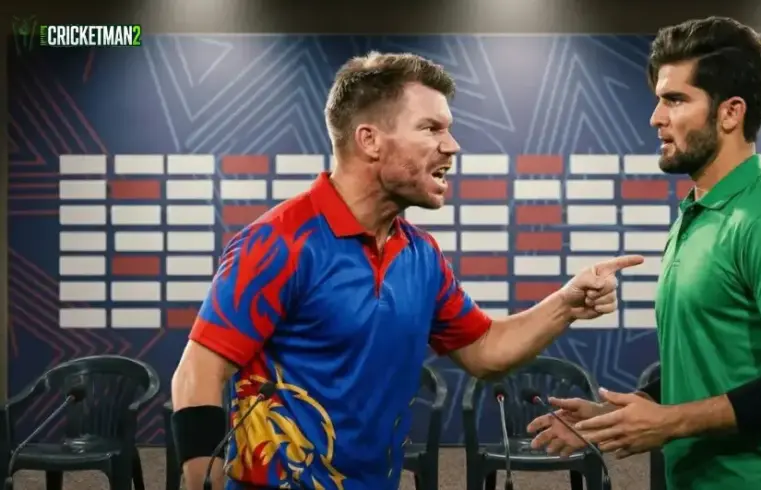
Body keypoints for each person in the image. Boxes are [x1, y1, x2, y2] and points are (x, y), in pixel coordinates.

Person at [169, 51, 643, 490]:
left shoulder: (421, 255)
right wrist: (202, 481)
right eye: (431, 128)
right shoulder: (278, 242)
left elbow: (484, 351)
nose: (452, 146)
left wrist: (566, 305)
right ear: (370, 140)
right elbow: (197, 373)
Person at [527, 16, 761, 489]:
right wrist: (612, 418)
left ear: (730, 113)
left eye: (675, 100)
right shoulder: (697, 215)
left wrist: (671, 423)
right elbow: (713, 367)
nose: (656, 117)